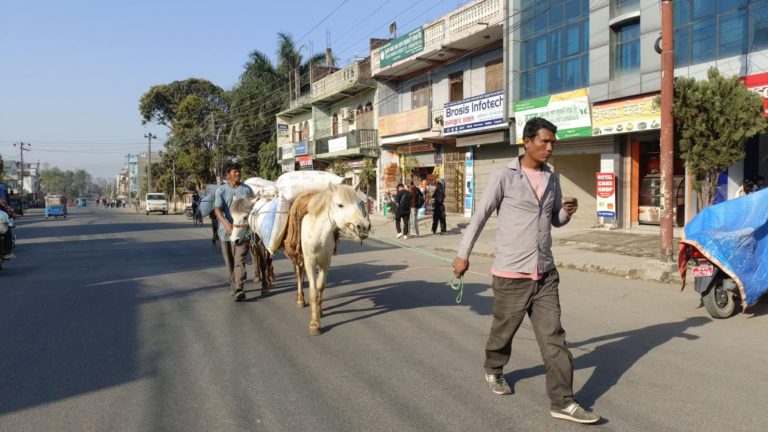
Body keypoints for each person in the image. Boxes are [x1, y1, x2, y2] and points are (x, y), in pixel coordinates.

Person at [452, 117, 600, 424]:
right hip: (511, 274)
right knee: (503, 332)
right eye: (545, 141)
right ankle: (494, 368)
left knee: (554, 338)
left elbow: (555, 220)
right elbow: (480, 216)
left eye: (553, 142)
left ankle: (562, 401)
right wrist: (462, 255)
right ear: (527, 141)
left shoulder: (552, 179)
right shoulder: (504, 176)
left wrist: (566, 213)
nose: (550, 147)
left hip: (544, 273)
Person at [214, 163, 254, 301]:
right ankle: (233, 285)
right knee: (230, 262)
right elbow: (217, 210)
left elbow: (253, 209)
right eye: (235, 172)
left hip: (242, 232)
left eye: (239, 171)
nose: (238, 174)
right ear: (228, 175)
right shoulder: (221, 190)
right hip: (226, 233)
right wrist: (226, 225)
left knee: (240, 260)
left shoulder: (246, 190)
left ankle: (239, 288)